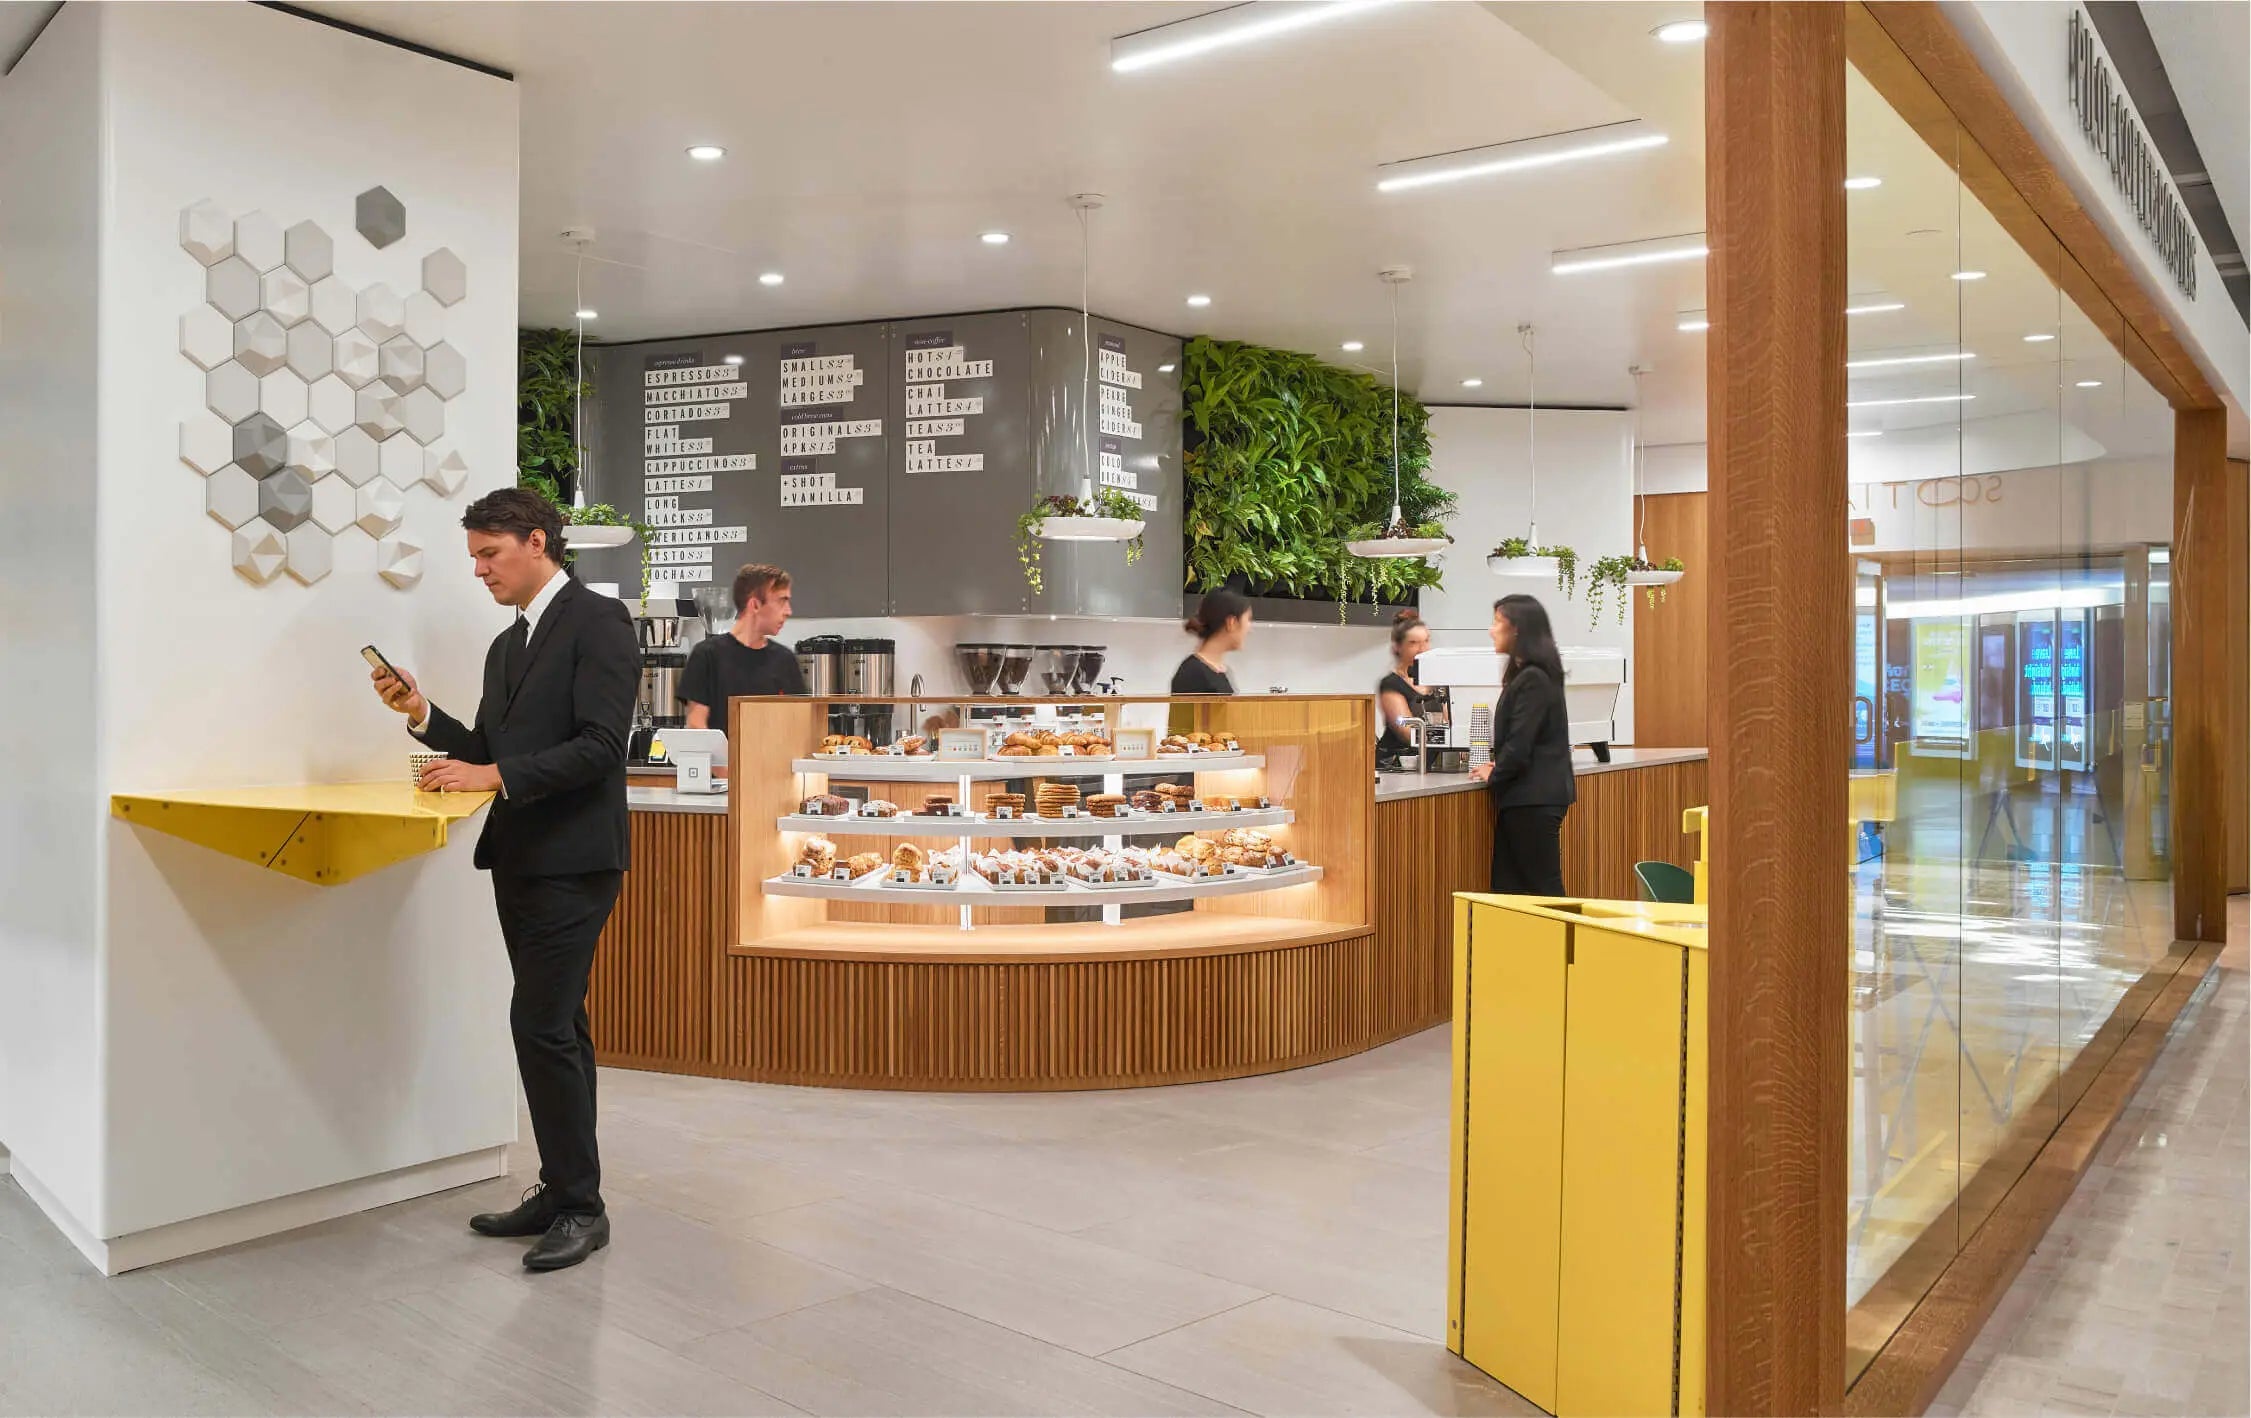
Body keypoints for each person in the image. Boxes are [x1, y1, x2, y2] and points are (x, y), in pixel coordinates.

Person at [369, 487, 639, 1273]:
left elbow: (599, 748)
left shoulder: (598, 621)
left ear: (535, 541)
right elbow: (485, 749)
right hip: (520, 860)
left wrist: (492, 772)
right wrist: (420, 712)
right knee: (562, 1028)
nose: (480, 571)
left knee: (541, 1026)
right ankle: (563, 1190)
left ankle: (582, 1206)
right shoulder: (507, 645)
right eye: (475, 558)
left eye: (490, 554)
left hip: (577, 862)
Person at [1469, 594, 1576, 896]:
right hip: (1529, 797)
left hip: (1533, 798)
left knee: (1542, 890)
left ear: (1517, 629)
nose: (1491, 630)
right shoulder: (1533, 676)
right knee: (1515, 891)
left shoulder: (1533, 679)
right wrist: (1498, 765)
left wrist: (1496, 772)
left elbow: (1520, 742)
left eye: (1497, 622)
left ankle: (1564, 943)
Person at [681, 562, 804, 730]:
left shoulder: (785, 660)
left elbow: (798, 723)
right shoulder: (706, 656)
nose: (788, 611)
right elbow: (696, 725)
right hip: (721, 757)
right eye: (782, 601)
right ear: (754, 605)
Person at [1378, 610, 1434, 760]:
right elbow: (1405, 730)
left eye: (1426, 641)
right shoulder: (1391, 684)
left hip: (1431, 762)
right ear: (1398, 646)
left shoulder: (1437, 681)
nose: (1422, 649)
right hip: (1397, 763)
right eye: (1413, 643)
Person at [1172, 587, 1250, 694]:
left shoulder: (1221, 671)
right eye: (1248, 620)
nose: (1249, 629)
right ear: (1231, 622)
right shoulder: (1193, 673)